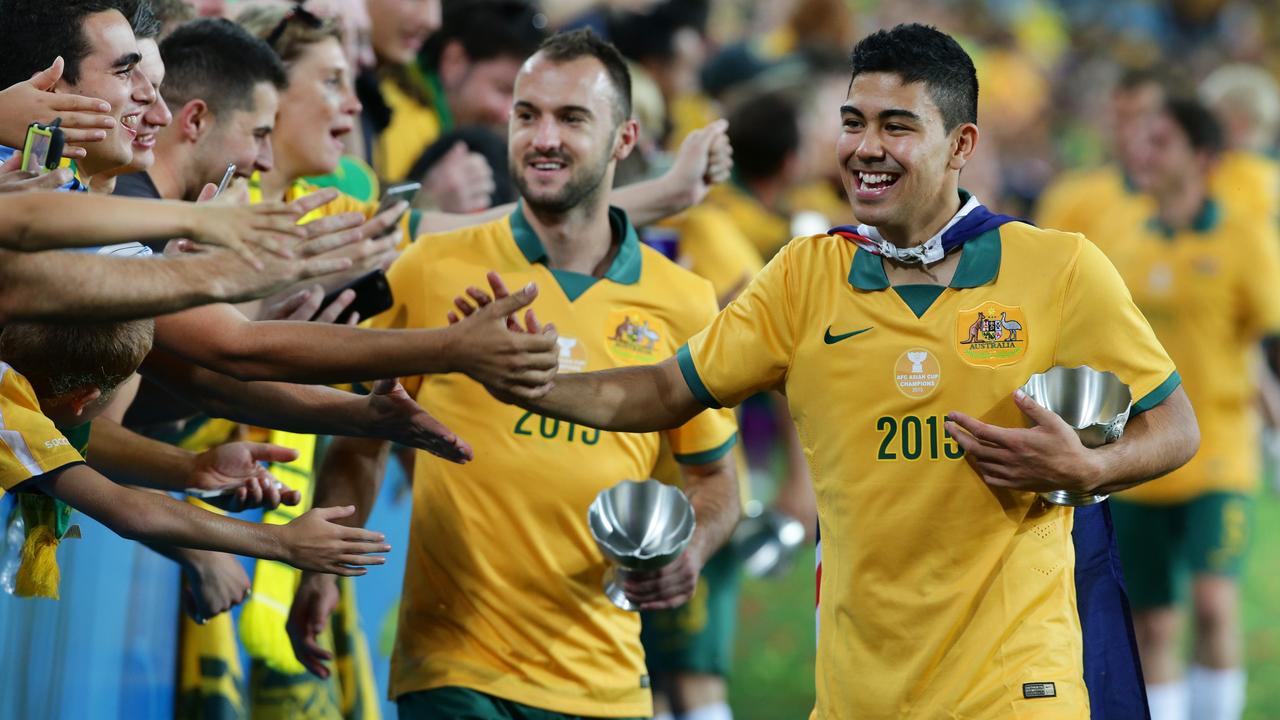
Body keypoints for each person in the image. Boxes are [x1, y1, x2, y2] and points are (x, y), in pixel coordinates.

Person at [473, 24, 1201, 718]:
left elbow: (1173, 427)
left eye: (897, 127)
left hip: (1017, 692)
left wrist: (1091, 470)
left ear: (961, 145)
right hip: (860, 696)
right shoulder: (805, 276)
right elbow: (666, 389)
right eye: (853, 123)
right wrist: (529, 382)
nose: (865, 148)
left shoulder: (1059, 268)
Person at [287, 29, 742, 720]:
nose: (542, 137)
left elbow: (715, 481)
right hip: (452, 664)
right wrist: (323, 564)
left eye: (571, 118)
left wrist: (693, 550)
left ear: (625, 140)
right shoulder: (433, 267)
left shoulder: (683, 301)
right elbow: (362, 437)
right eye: (526, 115)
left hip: (605, 681)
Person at [1099, 98, 1280, 720]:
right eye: (1142, 140)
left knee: (1212, 603)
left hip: (1222, 451)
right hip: (1138, 457)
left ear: (1203, 159)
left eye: (1162, 142)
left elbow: (1269, 338)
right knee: (1151, 622)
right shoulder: (1121, 236)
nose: (1143, 153)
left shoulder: (1245, 236)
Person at [0, 320, 391, 598]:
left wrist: (192, 470)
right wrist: (282, 542)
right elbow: (128, 511)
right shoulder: (12, 417)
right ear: (83, 400)